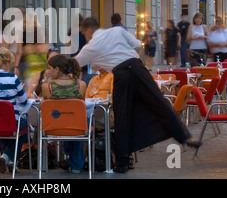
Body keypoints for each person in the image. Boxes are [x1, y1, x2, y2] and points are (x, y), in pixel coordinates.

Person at [74, 17, 199, 173]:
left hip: (121, 73)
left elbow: (74, 64)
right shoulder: (117, 30)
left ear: (87, 30)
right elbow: (136, 46)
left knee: (122, 116)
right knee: (159, 102)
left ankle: (122, 162)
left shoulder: (89, 47)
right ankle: (185, 136)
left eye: (83, 34)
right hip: (137, 67)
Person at [41, 55, 86, 174]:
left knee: (65, 120)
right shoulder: (81, 86)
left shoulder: (47, 87)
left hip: (53, 129)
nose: (48, 71)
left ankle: (70, 157)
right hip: (76, 129)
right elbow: (80, 107)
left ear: (57, 69)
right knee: (74, 121)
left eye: (50, 68)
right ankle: (76, 163)